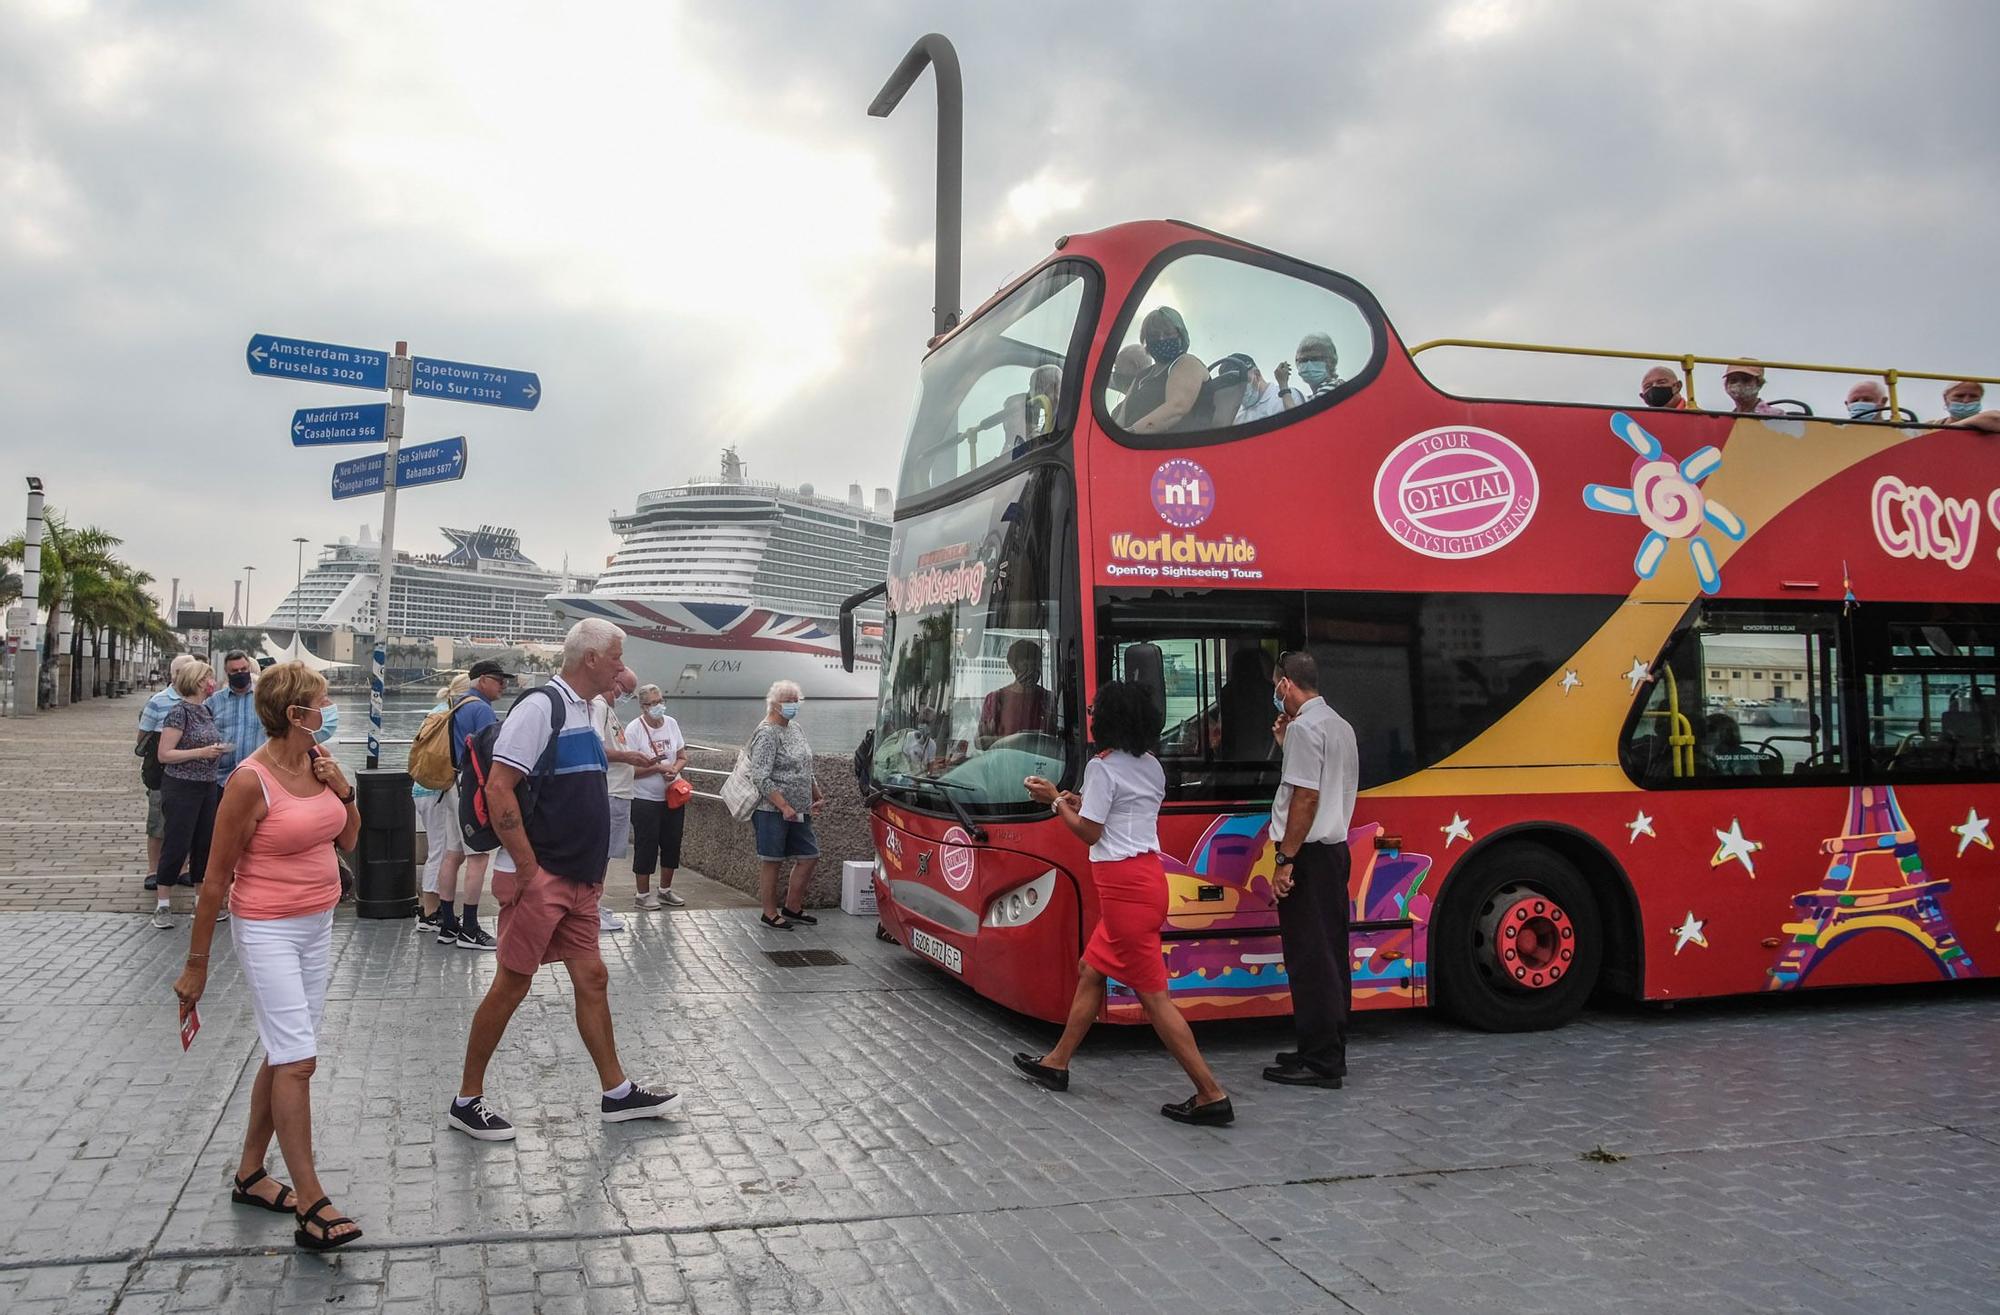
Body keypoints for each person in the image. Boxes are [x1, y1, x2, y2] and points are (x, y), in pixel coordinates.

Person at [448, 618, 679, 1141]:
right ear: (591, 659)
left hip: (579, 879)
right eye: (616, 659)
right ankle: (467, 1100)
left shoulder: (587, 709)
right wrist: (528, 870)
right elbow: (502, 788)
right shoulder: (540, 708)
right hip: (544, 876)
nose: (622, 669)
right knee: (512, 984)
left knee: (592, 979)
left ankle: (616, 1092)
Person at [172, 661, 363, 1252]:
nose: (328, 709)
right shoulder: (249, 781)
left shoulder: (319, 762)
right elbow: (214, 880)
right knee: (299, 1058)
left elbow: (349, 839)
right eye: (321, 702)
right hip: (266, 928)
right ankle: (311, 1202)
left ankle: (251, 1172)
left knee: (284, 1051)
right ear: (294, 714)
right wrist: (197, 964)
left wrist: (344, 791)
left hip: (317, 923)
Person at [1014, 682, 1233, 1125]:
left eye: (1096, 710)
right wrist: (1078, 802)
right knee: (1091, 970)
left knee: (1154, 999)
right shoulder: (1151, 765)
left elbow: (1091, 833)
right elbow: (1123, 814)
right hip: (1149, 878)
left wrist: (1055, 799)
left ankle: (1210, 1093)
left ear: (1108, 719)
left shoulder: (1102, 767)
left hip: (1122, 889)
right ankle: (1058, 1062)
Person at [1265, 651, 1359, 1089]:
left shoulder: (1305, 728)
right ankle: (1323, 1044)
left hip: (1310, 854)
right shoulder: (1338, 725)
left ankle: (1321, 1061)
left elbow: (1305, 799)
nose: (1275, 693)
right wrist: (1288, 747)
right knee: (1331, 951)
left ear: (1287, 684)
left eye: (1276, 685)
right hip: (1335, 850)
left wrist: (1285, 860)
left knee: (1309, 957)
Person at [436, 658, 511, 951]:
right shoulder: (481, 709)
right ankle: (469, 927)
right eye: (498, 679)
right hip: (471, 788)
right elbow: (493, 752)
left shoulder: (458, 703)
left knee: (452, 854)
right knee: (478, 857)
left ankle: (447, 924)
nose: (504, 684)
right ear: (481, 681)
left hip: (452, 783)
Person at [151, 660, 229, 930]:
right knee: (177, 843)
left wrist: (216, 750)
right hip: (181, 787)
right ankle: (163, 904)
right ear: (198, 682)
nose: (214, 683)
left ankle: (201, 902)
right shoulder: (179, 712)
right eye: (209, 678)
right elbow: (165, 754)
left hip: (206, 786)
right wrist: (201, 753)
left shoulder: (205, 711)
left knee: (204, 843)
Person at [748, 678, 824, 930]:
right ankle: (769, 913)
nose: (793, 705)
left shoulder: (796, 729)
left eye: (796, 701)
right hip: (772, 810)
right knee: (772, 860)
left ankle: (793, 907)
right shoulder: (767, 733)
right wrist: (783, 805)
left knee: (809, 856)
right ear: (774, 703)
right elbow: (759, 774)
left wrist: (815, 792)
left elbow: (805, 765)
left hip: (800, 809)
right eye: (788, 701)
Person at [587, 666, 648, 928]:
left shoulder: (607, 709)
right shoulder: (599, 706)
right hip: (611, 792)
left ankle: (594, 905)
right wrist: (628, 756)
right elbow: (595, 746)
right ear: (614, 682)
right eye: (626, 690)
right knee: (601, 854)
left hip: (618, 792)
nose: (626, 696)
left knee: (605, 855)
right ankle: (591, 910)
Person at [413, 673, 474, 934]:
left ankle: (433, 909)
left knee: (442, 850)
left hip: (424, 788)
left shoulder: (438, 711)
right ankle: (430, 911)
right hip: (438, 791)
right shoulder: (454, 715)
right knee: (441, 850)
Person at [626, 683, 688, 910]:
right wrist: (656, 769)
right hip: (644, 799)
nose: (658, 706)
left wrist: (674, 767)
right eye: (652, 703)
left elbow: (682, 755)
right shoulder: (634, 730)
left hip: (672, 795)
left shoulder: (671, 724)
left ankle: (665, 890)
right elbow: (630, 771)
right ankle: (642, 894)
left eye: (660, 701)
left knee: (672, 843)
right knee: (646, 844)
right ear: (642, 706)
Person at [138, 653, 198, 889]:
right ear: (173, 674)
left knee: (186, 823)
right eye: (181, 672)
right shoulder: (158, 701)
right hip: (162, 773)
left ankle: (183, 868)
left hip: (192, 772)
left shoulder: (201, 701)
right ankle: (153, 869)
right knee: (157, 823)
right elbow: (142, 737)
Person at [1123, 307, 1206, 434]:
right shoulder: (1142, 376)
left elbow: (1176, 408)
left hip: (1170, 449)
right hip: (1129, 447)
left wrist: (1128, 434)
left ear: (1180, 334)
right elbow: (1120, 418)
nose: (1161, 339)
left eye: (1167, 334)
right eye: (1154, 336)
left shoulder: (1187, 363)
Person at [978, 639, 1054, 746]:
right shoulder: (995, 699)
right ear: (1013, 667)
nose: (1031, 671)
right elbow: (981, 742)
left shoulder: (1048, 699)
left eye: (1035, 665)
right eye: (1025, 666)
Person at [208, 651, 264, 777]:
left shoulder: (265, 699)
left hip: (257, 775)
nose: (240, 673)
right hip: (221, 777)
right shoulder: (213, 702)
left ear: (249, 668)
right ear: (226, 672)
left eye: (243, 669)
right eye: (234, 670)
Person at [1229, 354, 1287, 424]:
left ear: (1257, 374)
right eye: (1232, 386)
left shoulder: (1286, 398)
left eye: (1241, 381)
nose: (1238, 390)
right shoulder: (1236, 419)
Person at [1934, 380, 2000, 432]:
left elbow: (1996, 419)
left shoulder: (1991, 421)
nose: (1966, 400)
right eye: (1959, 396)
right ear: (1945, 398)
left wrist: (1950, 428)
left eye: (1973, 396)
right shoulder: (1932, 426)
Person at [1293, 332, 1344, 399]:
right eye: (1303, 360)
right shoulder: (1311, 396)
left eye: (1315, 359)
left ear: (1330, 362)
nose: (1309, 364)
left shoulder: (1333, 386)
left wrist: (1284, 388)